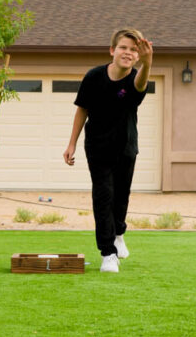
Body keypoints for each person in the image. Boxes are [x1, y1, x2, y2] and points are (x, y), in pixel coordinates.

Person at [63, 28, 153, 273]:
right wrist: (71, 143)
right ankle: (108, 253)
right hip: (98, 147)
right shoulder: (94, 77)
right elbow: (82, 109)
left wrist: (147, 63)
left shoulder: (136, 78)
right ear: (112, 50)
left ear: (138, 56)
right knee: (103, 196)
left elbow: (140, 85)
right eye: (123, 47)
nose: (128, 52)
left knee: (121, 196)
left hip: (126, 147)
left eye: (133, 50)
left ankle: (118, 233)